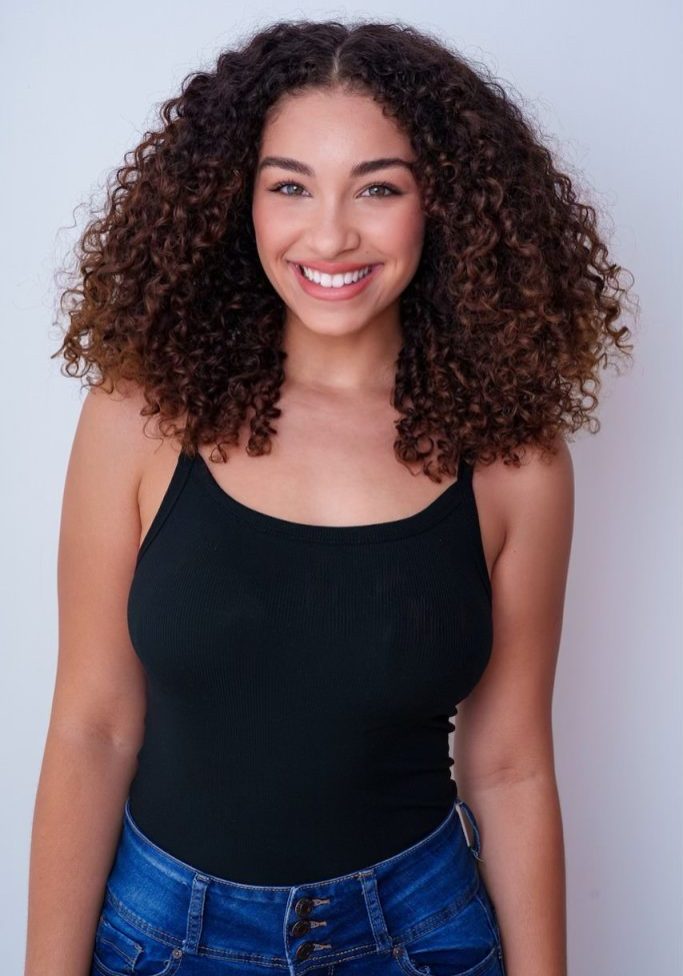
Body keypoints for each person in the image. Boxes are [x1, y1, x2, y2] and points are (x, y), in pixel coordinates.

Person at [25, 18, 634, 976]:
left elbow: (508, 764)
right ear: (239, 202)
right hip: (163, 936)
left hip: (420, 936)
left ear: (443, 205)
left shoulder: (515, 463)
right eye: (290, 186)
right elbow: (93, 725)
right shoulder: (139, 420)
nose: (331, 233)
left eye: (378, 187)